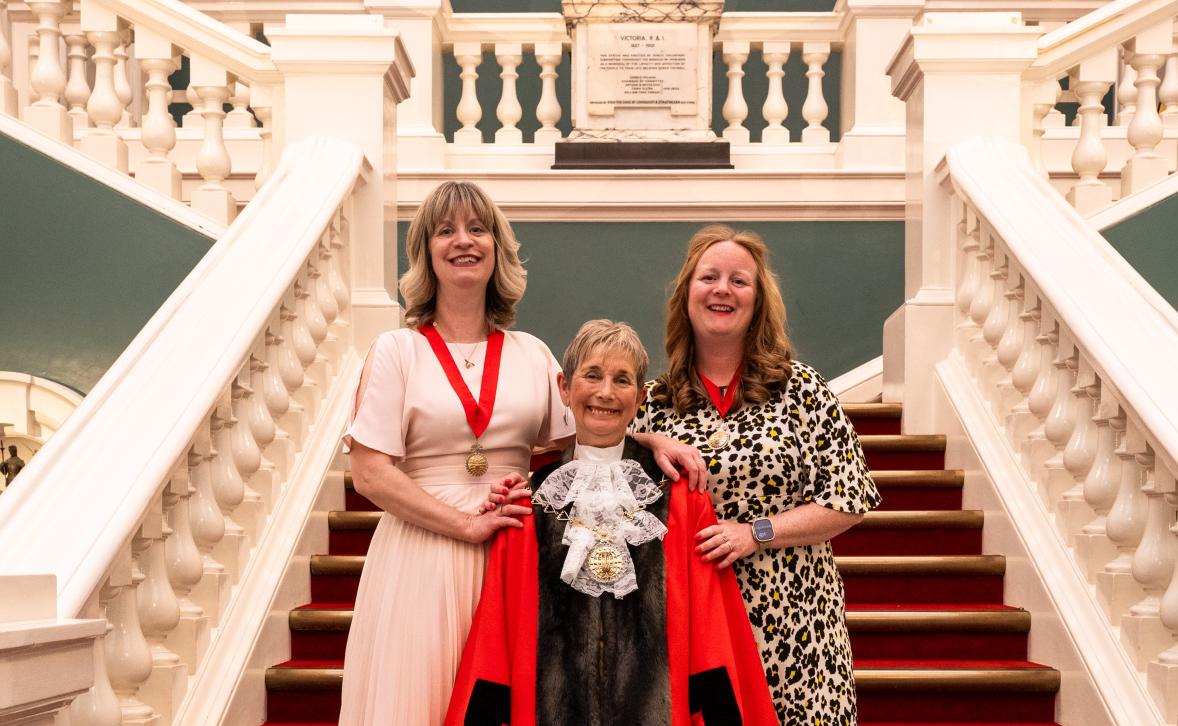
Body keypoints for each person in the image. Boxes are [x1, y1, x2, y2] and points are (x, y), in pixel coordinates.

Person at [338, 183, 704, 726]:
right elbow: (369, 474)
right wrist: (464, 525)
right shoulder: (398, 350)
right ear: (426, 252)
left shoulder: (530, 353)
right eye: (445, 230)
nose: (463, 241)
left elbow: (580, 442)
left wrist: (647, 440)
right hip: (424, 556)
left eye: (477, 229)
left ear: (497, 249)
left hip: (519, 555)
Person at [445, 320, 777, 726]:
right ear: (565, 388)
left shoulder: (680, 498)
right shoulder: (528, 504)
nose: (605, 392)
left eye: (622, 380)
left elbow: (710, 626)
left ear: (638, 399)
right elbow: (498, 633)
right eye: (592, 375)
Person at [632, 225, 881, 724]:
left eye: (739, 281)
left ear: (758, 301)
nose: (722, 289)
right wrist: (645, 440)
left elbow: (847, 499)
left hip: (798, 629)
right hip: (696, 632)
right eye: (709, 277)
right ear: (687, 296)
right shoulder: (654, 404)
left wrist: (756, 533)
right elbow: (594, 462)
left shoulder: (803, 390)